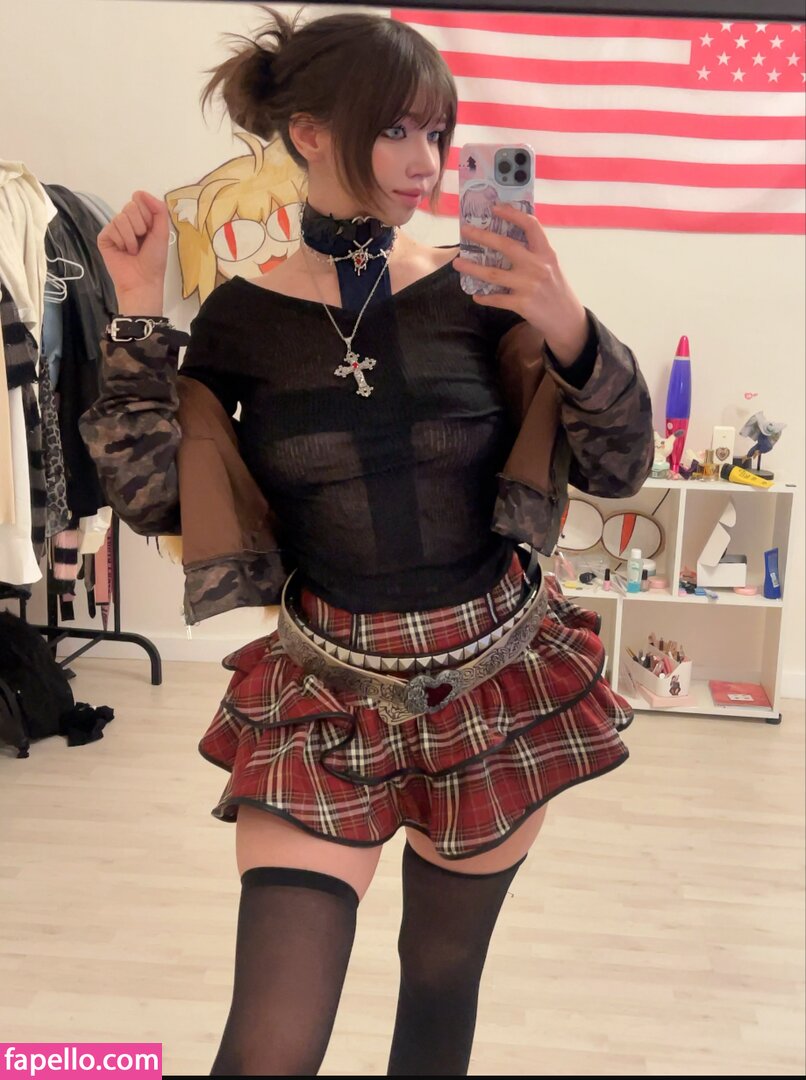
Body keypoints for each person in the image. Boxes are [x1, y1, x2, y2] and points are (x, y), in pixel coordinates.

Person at [80, 7, 654, 1075]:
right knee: (270, 1044)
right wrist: (136, 310)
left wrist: (568, 322)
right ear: (306, 132)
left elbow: (619, 468)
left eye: (437, 132)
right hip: (324, 696)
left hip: (493, 685)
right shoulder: (241, 319)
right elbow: (154, 498)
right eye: (395, 130)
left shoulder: (483, 292)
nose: (426, 161)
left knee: (437, 995)